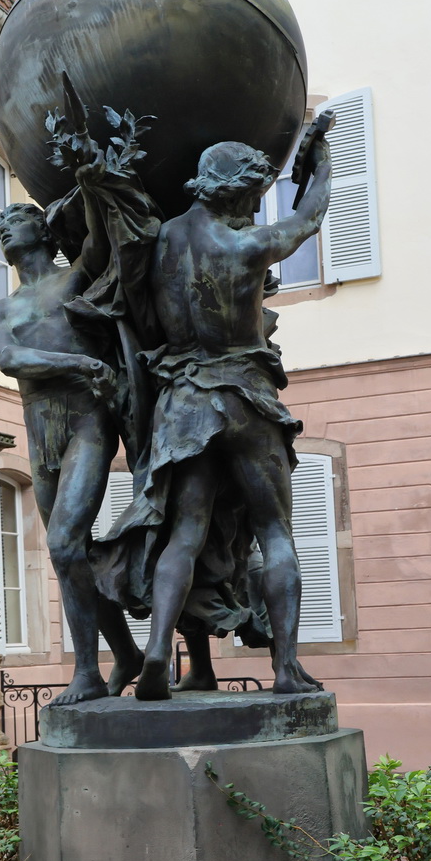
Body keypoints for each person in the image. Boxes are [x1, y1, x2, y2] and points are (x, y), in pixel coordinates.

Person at [95, 137, 332, 700]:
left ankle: (157, 651)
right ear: (236, 191)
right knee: (275, 530)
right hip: (245, 396)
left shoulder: (162, 239)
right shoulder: (245, 245)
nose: (254, 206)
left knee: (185, 532)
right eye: (252, 194)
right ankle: (286, 669)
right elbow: (310, 217)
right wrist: (319, 163)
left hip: (185, 404)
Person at [0, 200, 144, 704]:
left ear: (46, 231)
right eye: (2, 225)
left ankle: (86, 673)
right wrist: (77, 361)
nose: (7, 229)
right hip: (41, 426)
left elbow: (102, 242)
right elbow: (10, 360)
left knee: (63, 542)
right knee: (69, 554)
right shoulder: (1, 309)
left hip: (88, 420)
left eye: (19, 221)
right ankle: (126, 654)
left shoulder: (73, 278)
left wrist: (92, 186)